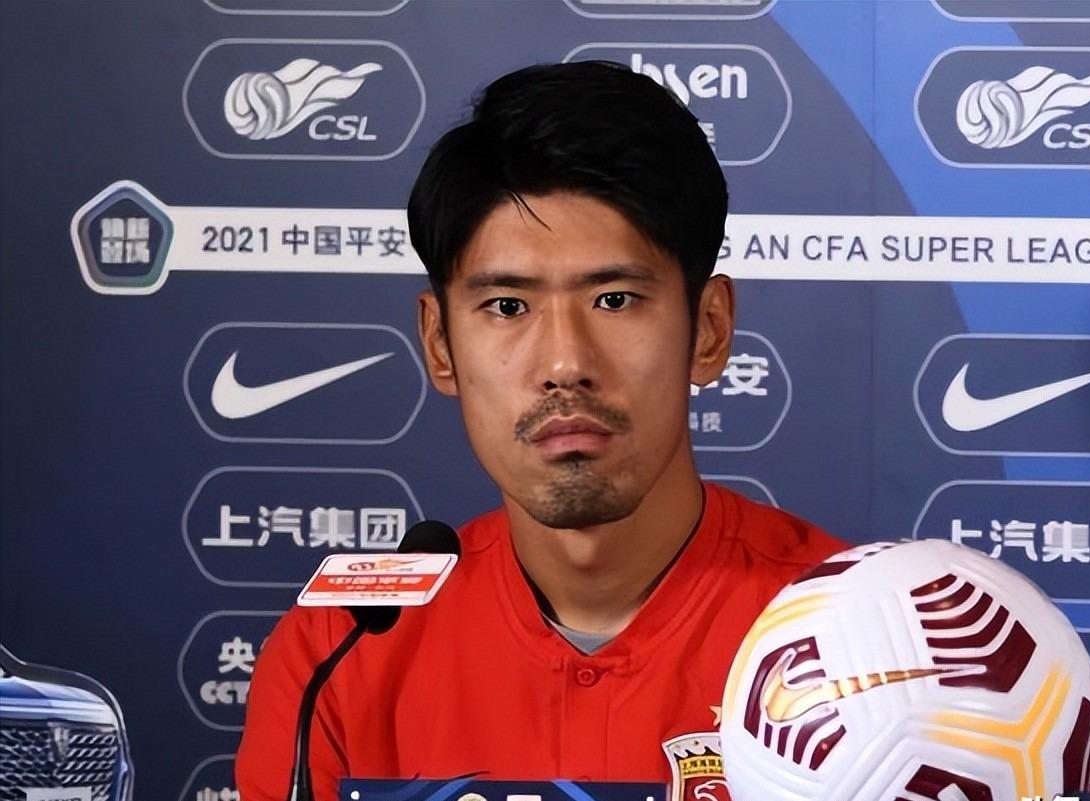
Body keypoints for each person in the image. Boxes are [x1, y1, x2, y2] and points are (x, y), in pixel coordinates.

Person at [236, 61, 845, 800]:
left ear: (709, 330)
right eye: (507, 307)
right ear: (439, 344)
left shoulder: (856, 632)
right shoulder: (340, 650)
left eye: (614, 299)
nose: (564, 364)